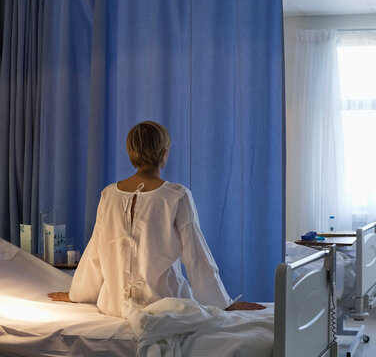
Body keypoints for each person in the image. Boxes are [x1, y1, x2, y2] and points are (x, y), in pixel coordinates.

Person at [48, 121, 264, 317]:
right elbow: (196, 256)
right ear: (164, 152)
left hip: (114, 307)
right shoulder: (176, 195)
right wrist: (221, 303)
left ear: (131, 152)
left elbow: (95, 251)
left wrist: (78, 293)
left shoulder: (108, 195)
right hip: (165, 307)